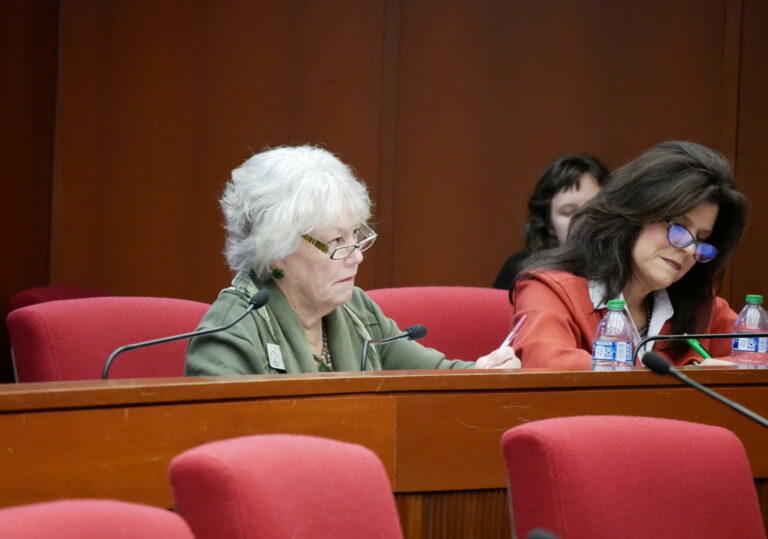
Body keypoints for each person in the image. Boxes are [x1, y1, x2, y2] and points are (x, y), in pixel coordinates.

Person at [186, 145, 518, 375]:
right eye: (337, 242)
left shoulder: (356, 311)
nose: (357, 256)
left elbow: (439, 377)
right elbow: (230, 448)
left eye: (356, 236)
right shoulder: (230, 332)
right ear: (277, 249)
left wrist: (487, 371)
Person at [509, 141, 747, 369]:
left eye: (701, 239)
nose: (690, 249)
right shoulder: (550, 290)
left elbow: (758, 354)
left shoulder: (701, 307)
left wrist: (731, 371)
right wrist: (680, 382)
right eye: (679, 227)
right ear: (636, 212)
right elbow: (548, 366)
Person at [493, 154, 609, 289]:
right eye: (568, 212)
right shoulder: (520, 269)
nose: (582, 220)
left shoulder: (627, 267)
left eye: (593, 210)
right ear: (549, 224)